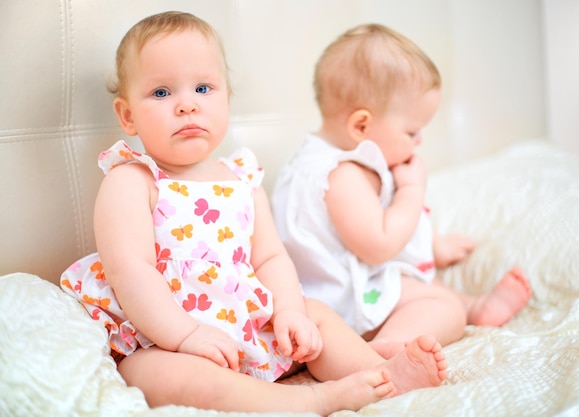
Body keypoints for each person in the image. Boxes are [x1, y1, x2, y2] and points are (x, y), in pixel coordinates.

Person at [59, 12, 449, 415]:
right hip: (167, 334)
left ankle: (382, 374)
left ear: (226, 99)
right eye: (161, 93)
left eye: (204, 88)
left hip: (247, 321)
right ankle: (305, 400)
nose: (187, 104)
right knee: (149, 374)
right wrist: (185, 335)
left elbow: (270, 257)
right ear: (127, 115)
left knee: (317, 317)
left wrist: (290, 311)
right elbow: (131, 272)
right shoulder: (132, 180)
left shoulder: (242, 178)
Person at [272, 23, 532, 359]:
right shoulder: (342, 176)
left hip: (349, 289)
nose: (419, 141)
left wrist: (433, 247)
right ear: (361, 126)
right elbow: (379, 246)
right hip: (341, 307)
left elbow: (372, 235)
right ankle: (387, 348)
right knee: (442, 308)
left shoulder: (324, 160)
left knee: (424, 287)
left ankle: (476, 307)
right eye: (412, 131)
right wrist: (412, 190)